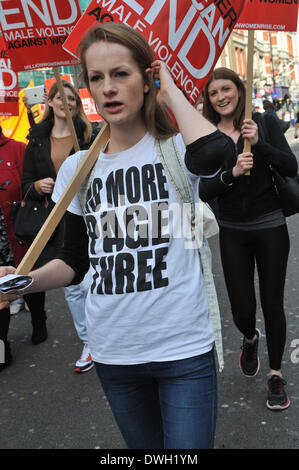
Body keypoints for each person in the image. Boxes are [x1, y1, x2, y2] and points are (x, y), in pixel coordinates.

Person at [0, 23, 230, 449]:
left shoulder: (179, 148)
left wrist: (171, 92)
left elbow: (219, 153)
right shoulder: (77, 170)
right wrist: (21, 282)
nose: (108, 88)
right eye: (97, 77)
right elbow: (73, 261)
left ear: (146, 78)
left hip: (182, 349)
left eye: (121, 74)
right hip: (114, 352)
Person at [197, 67, 298, 411]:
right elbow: (203, 188)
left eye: (226, 89)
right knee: (242, 308)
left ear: (239, 90)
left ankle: (275, 375)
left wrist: (262, 144)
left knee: (272, 302)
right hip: (233, 231)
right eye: (213, 93)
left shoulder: (264, 121)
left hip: (270, 224)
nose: (221, 97)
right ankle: (250, 338)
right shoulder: (207, 136)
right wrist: (232, 173)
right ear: (209, 100)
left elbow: (290, 167)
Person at [21, 80, 99, 373]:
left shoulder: (91, 134)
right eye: (61, 97)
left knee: (93, 280)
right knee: (73, 286)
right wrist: (39, 186)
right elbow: (26, 183)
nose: (67, 102)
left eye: (73, 98)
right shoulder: (37, 139)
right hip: (56, 219)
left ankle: (107, 332)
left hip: (91, 215)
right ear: (51, 102)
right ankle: (88, 341)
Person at [0, 127, 56, 370]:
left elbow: (29, 185)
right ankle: (2, 347)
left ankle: (38, 318)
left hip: (16, 227)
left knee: (26, 273)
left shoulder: (17, 148)